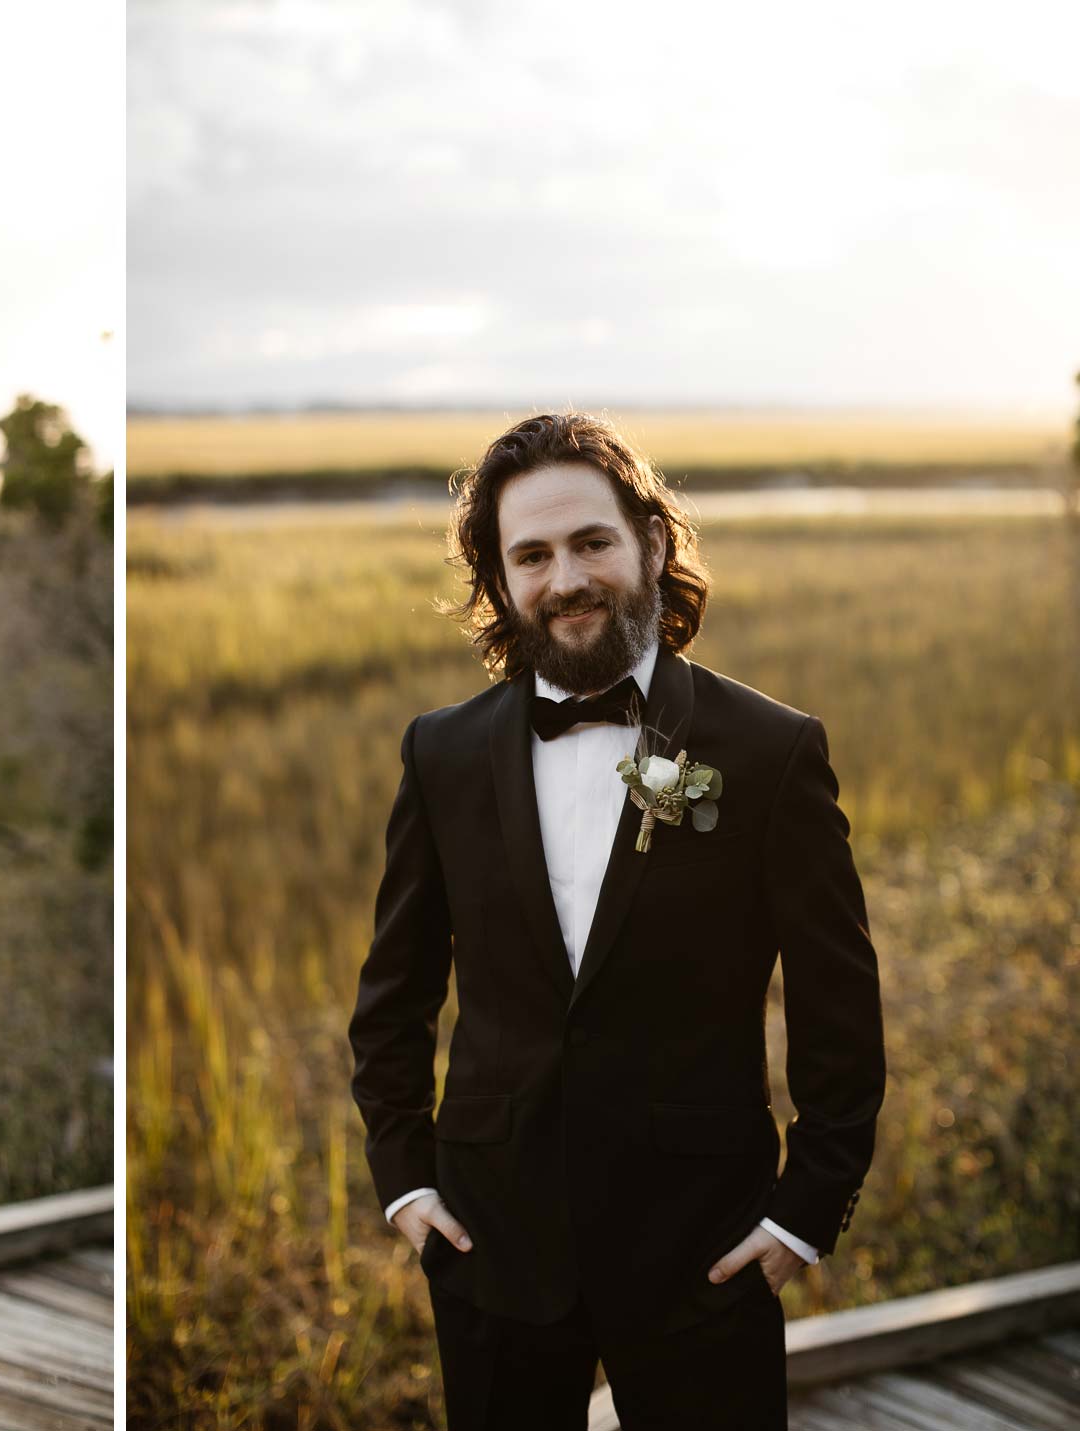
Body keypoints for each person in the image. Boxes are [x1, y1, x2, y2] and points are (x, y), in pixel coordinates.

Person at [347, 414, 885, 1430]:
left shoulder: (772, 752)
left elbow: (838, 1008)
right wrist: (406, 1189)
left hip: (707, 1254)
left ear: (651, 542)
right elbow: (393, 1000)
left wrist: (804, 1213)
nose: (567, 578)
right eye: (532, 556)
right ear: (501, 583)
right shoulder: (441, 755)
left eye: (592, 542)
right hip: (487, 1250)